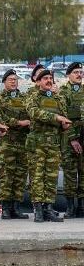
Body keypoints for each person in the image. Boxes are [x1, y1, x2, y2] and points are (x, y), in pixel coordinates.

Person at [26, 69, 72, 222]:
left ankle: (48, 208)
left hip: (53, 144)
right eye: (45, 78)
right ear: (38, 82)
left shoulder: (58, 98)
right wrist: (56, 117)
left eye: (50, 78)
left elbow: (64, 118)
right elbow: (34, 113)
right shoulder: (33, 97)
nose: (48, 80)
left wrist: (64, 125)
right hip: (37, 144)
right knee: (37, 177)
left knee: (51, 177)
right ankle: (38, 209)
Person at [0, 70, 31, 219]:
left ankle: (16, 207)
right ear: (4, 82)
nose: (13, 82)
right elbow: (0, 117)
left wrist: (27, 122)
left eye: (15, 79)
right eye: (10, 79)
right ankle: (6, 208)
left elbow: (30, 115)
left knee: (20, 176)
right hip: (7, 143)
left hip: (22, 143)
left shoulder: (24, 98)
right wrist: (19, 123)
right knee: (6, 175)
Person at [58, 62, 84, 218]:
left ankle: (81, 206)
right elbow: (64, 118)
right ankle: (70, 207)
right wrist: (73, 138)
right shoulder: (63, 93)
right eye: (75, 72)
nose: (79, 74)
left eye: (80, 72)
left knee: (83, 173)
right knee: (69, 172)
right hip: (69, 139)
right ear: (68, 75)